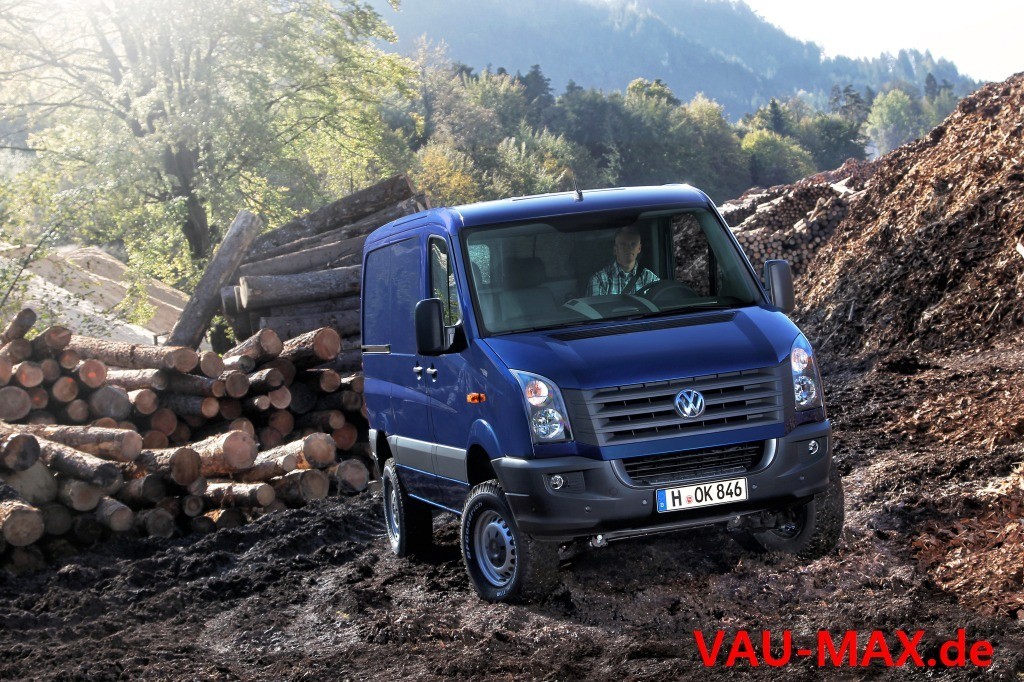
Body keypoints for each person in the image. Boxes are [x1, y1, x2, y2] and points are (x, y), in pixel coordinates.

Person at [586, 225, 659, 295]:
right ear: (615, 250)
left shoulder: (650, 279)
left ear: (639, 248)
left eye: (633, 244)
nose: (629, 248)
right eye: (623, 244)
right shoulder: (599, 280)